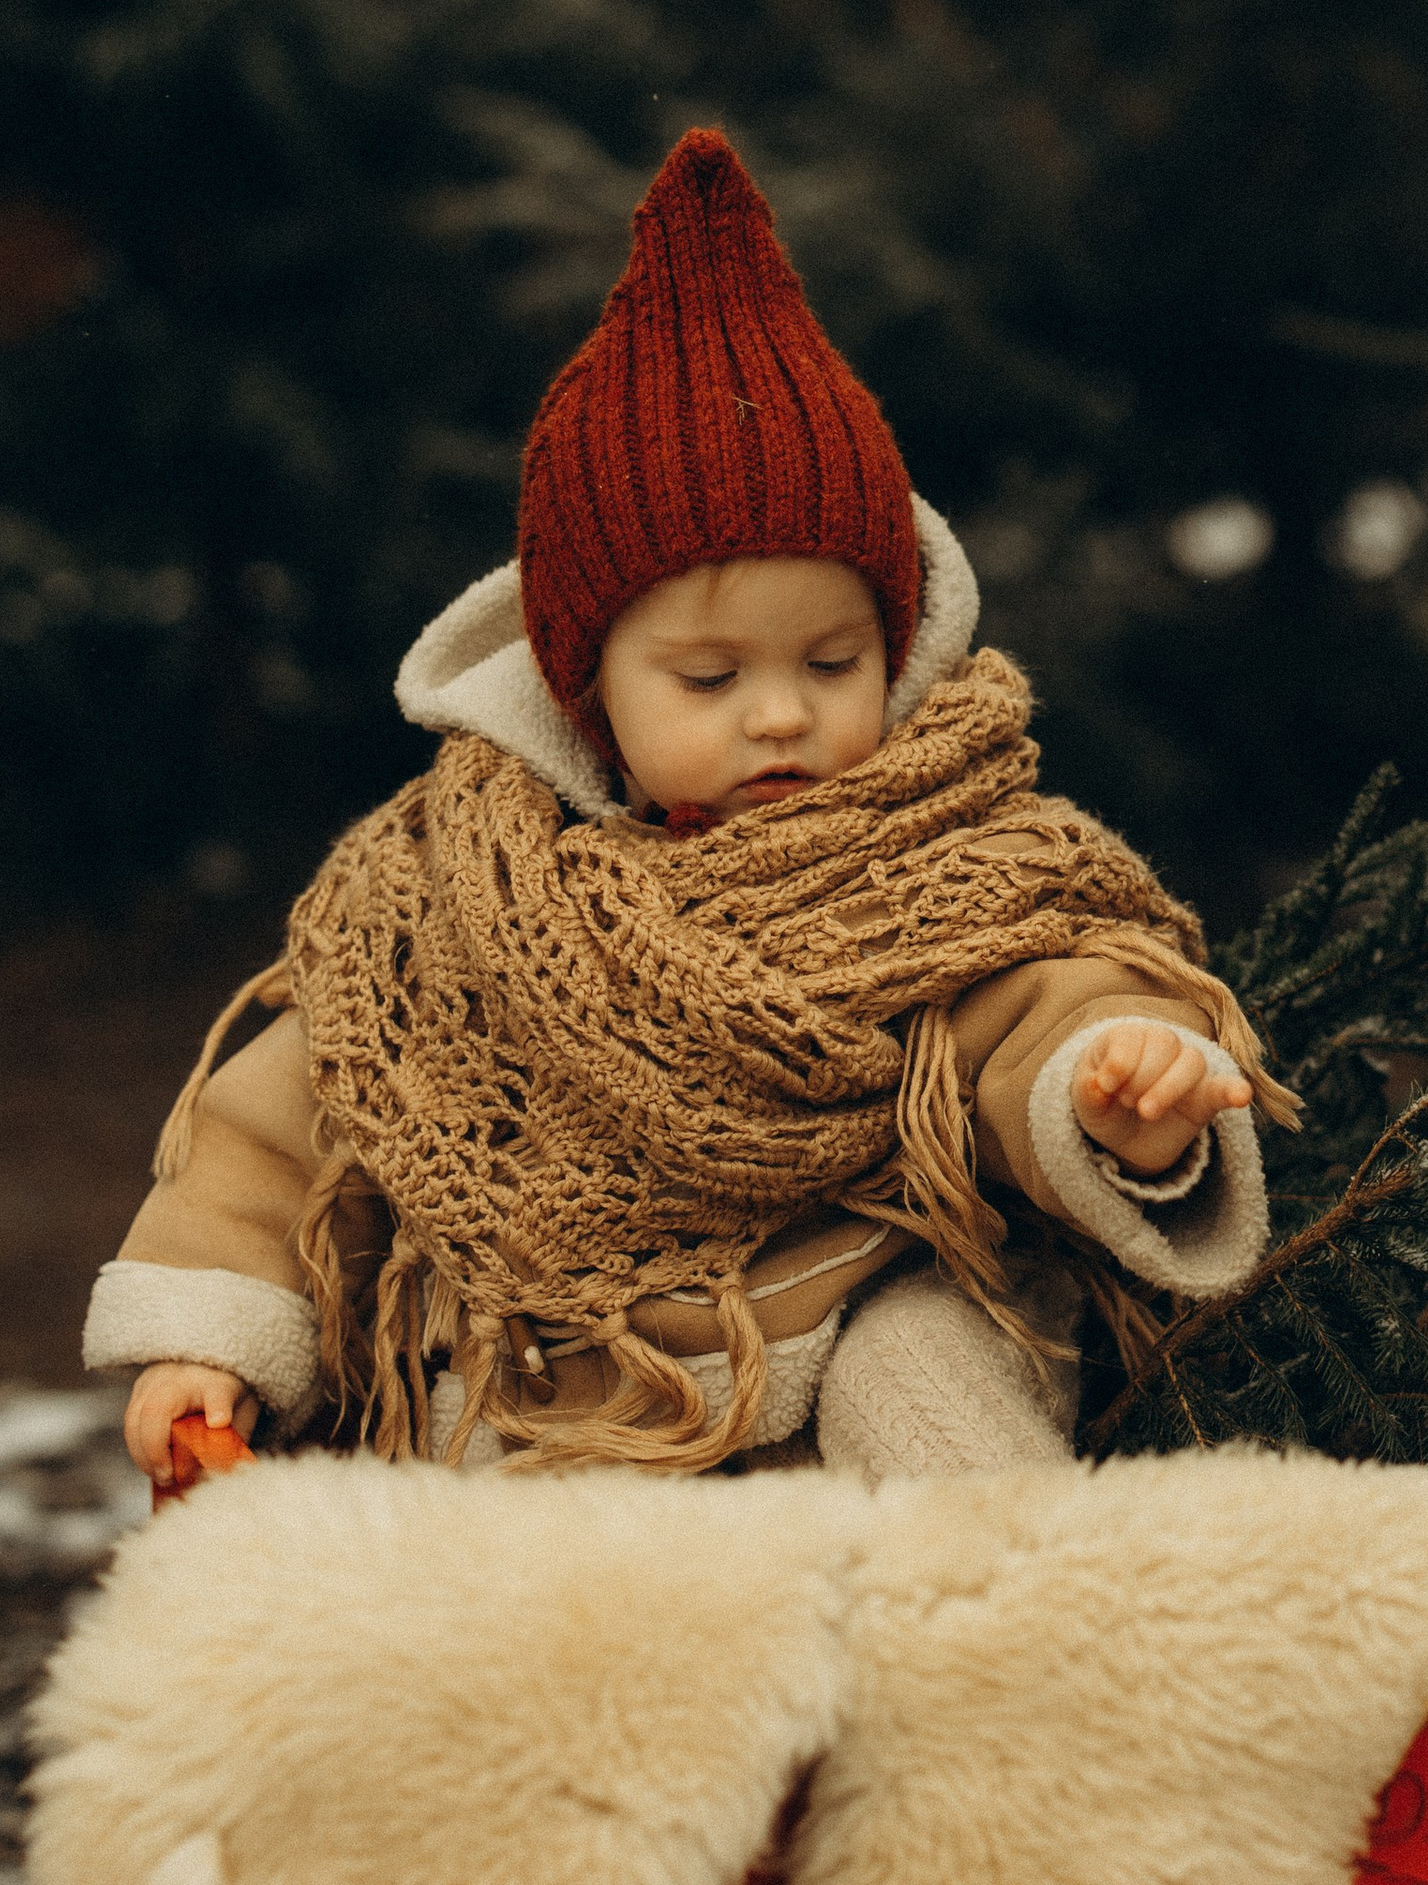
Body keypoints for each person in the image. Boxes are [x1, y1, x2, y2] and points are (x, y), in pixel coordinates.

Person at [88, 131, 1292, 1485]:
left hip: (861, 1303)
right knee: (472, 1460)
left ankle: (1004, 1637)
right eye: (710, 676)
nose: (779, 713)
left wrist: (1115, 1089)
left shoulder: (942, 851)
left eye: (832, 663)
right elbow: (286, 1128)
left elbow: (1044, 1000)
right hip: (573, 1363)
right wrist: (212, 1331)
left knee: (934, 1374)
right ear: (582, 680)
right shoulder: (448, 904)